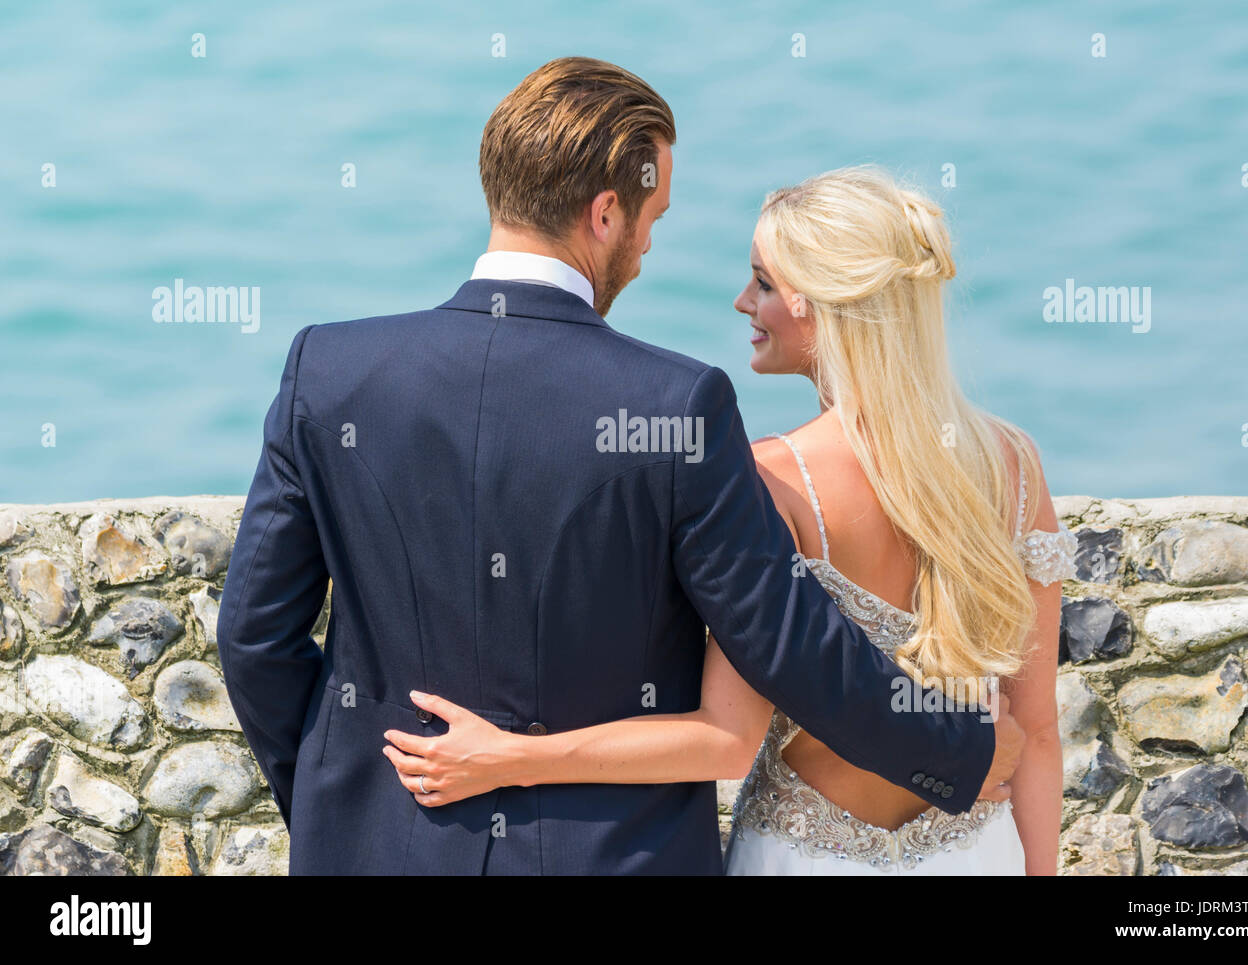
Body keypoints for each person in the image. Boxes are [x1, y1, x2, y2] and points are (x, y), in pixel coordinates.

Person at [218, 57, 1024, 876]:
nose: (644, 249)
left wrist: (341, 812)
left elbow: (254, 638)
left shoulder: (330, 371)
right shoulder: (677, 404)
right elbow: (790, 644)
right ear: (605, 213)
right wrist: (962, 749)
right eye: (651, 219)